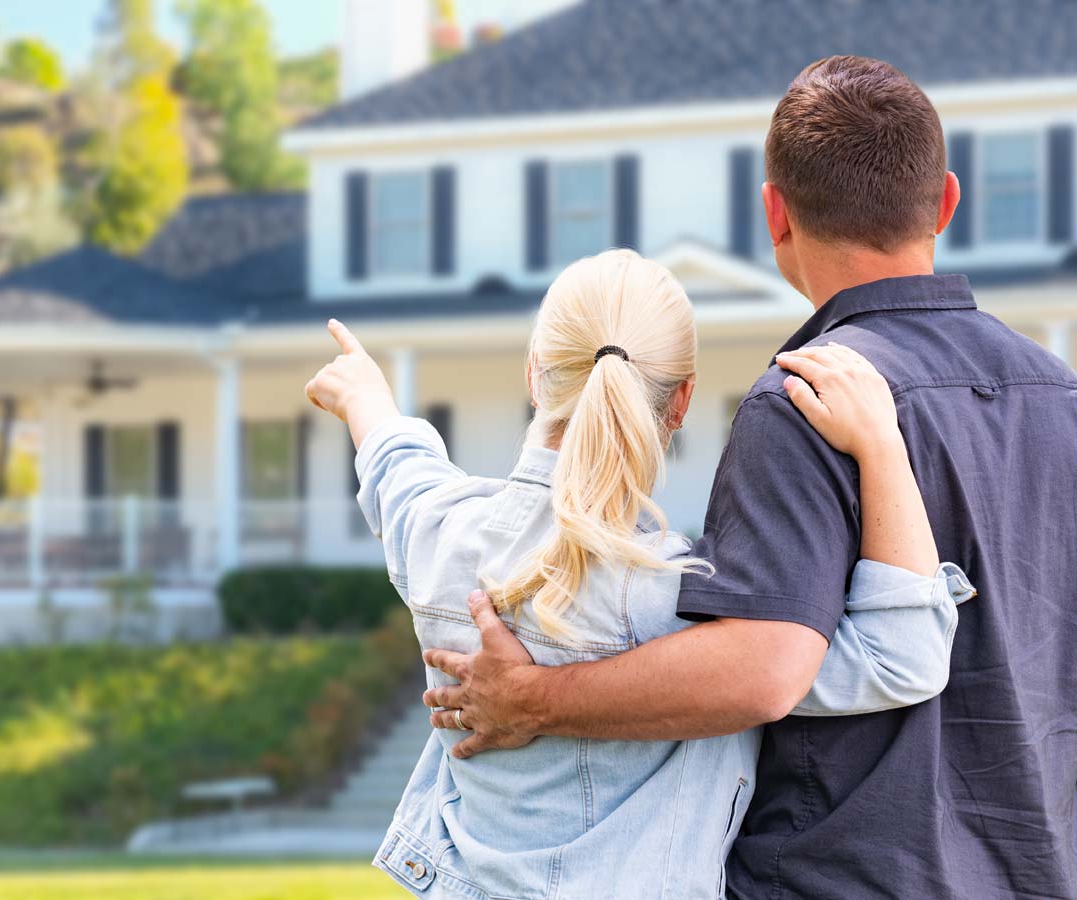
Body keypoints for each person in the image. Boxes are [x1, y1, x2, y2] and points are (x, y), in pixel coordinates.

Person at [418, 56, 1077, 900]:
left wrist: (538, 700)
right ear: (947, 201)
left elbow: (762, 668)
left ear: (775, 214)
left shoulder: (801, 399)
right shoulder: (1058, 396)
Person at [305, 247, 973, 899]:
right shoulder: (692, 601)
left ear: (535, 374)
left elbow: (400, 473)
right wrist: (882, 445)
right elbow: (899, 656)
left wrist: (366, 401)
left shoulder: (441, 535)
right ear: (681, 402)